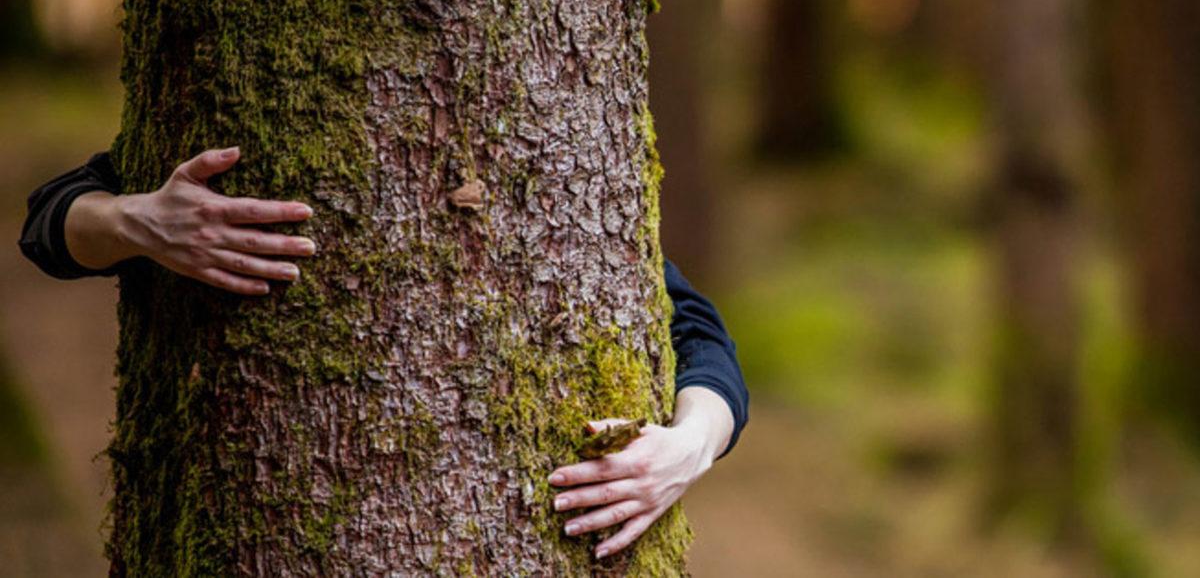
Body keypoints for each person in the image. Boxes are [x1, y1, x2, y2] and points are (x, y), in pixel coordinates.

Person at [18, 146, 749, 559]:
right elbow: (48, 224)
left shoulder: (558, 161)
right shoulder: (245, 115)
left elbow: (699, 333)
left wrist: (690, 446)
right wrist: (135, 221)